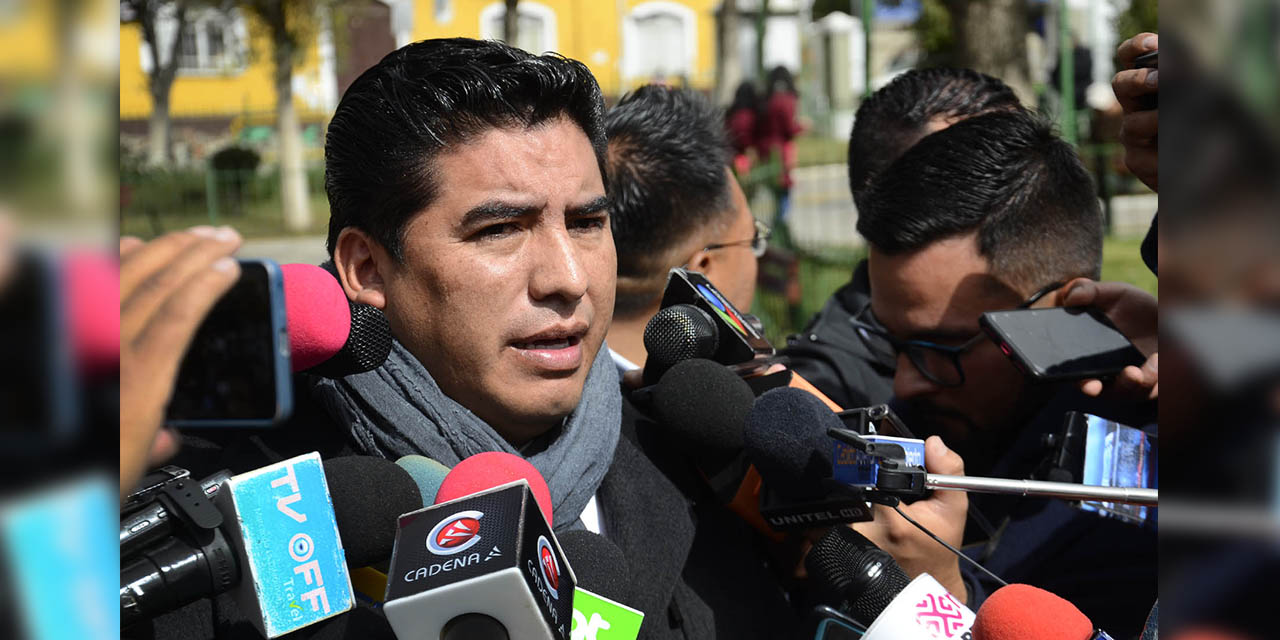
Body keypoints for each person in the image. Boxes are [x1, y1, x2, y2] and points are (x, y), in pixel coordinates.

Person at [130, 38, 786, 640]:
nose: (568, 278)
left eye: (587, 222)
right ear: (367, 268)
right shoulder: (241, 522)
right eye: (500, 229)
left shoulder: (701, 467)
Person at [848, 110, 1156, 636]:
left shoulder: (1155, 494)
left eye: (944, 347)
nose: (905, 383)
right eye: (890, 340)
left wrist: (942, 600)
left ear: (1063, 310)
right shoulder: (912, 425)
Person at [782, 67, 1023, 410]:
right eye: (972, 175)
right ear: (882, 201)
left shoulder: (1074, 332)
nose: (1023, 193)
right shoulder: (825, 395)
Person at [604, 84, 762, 375]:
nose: (756, 257)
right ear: (702, 269)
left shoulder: (527, 403)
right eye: (753, 241)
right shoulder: (741, 414)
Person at [755, 66, 803, 223]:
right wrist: (803, 126)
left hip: (765, 151)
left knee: (774, 194)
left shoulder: (765, 100)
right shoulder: (786, 100)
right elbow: (790, 128)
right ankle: (780, 230)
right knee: (783, 194)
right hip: (781, 152)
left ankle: (777, 229)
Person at [725, 81, 760, 176]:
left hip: (730, 157)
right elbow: (743, 137)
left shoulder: (732, 113)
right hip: (742, 159)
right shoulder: (747, 115)